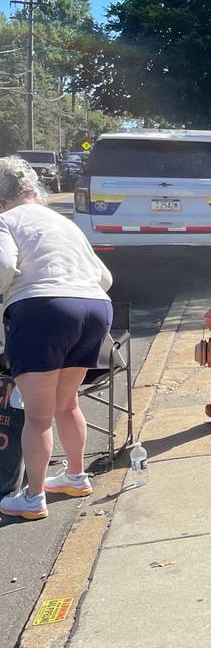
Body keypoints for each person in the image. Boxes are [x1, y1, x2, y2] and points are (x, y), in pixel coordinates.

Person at [0, 157, 113, 521]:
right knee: (67, 403)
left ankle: (33, 498)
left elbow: (3, 266)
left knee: (37, 416)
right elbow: (104, 276)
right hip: (95, 307)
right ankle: (76, 476)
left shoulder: (6, 220)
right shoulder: (63, 223)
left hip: (42, 308)